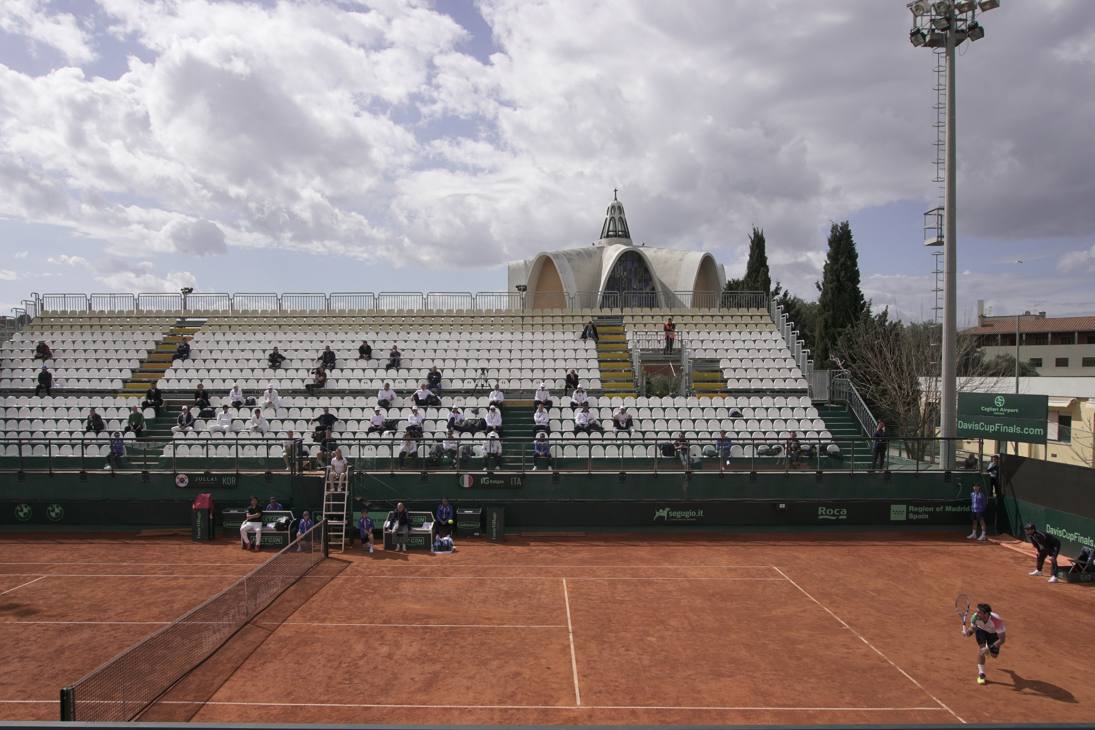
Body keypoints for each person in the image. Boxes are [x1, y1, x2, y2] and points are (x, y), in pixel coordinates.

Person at [962, 603, 1006, 685]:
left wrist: (990, 647)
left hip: (993, 634)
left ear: (986, 614)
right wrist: (968, 633)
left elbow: (1002, 639)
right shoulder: (975, 617)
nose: (976, 613)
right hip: (981, 630)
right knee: (981, 650)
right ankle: (981, 674)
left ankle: (988, 650)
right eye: (976, 611)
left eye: (979, 612)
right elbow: (973, 628)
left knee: (994, 655)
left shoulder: (996, 621)